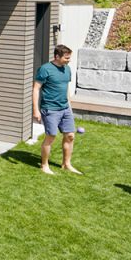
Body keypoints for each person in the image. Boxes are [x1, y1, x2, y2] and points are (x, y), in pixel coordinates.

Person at [32, 44, 80, 175]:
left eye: (69, 58)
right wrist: (36, 110)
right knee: (51, 137)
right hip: (50, 109)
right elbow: (36, 88)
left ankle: (66, 164)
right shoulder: (45, 69)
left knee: (70, 136)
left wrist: (69, 106)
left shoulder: (67, 69)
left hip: (65, 108)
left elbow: (65, 88)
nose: (68, 60)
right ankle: (44, 165)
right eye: (66, 58)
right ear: (57, 56)